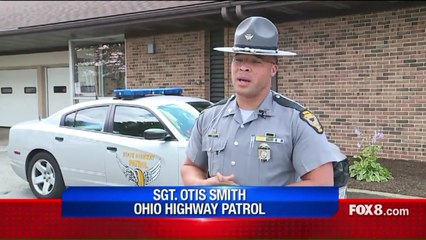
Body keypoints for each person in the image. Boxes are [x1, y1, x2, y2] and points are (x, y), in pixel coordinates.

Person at [181, 16, 336, 186]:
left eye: (255, 61)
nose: (244, 67)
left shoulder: (296, 120)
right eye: (238, 59)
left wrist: (261, 200)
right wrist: (203, 184)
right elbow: (190, 167)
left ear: (273, 69)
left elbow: (322, 183)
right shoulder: (209, 117)